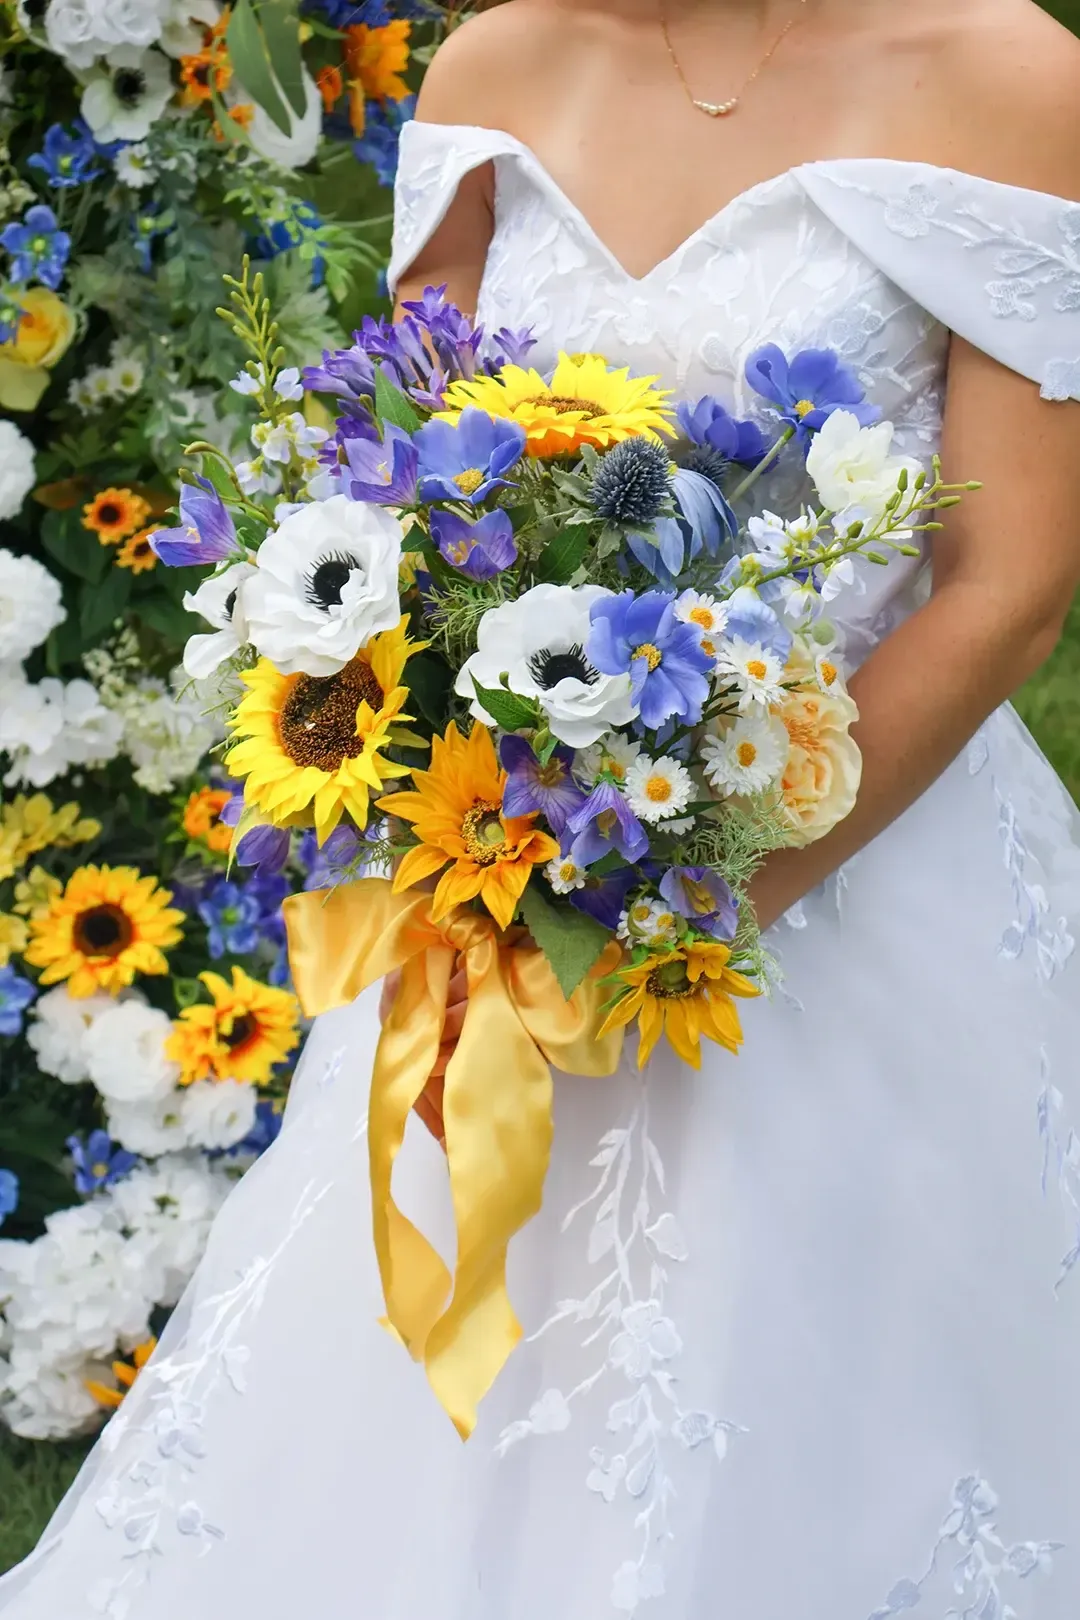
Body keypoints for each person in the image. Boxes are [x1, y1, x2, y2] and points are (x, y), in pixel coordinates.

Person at [3, 1, 1080, 1615]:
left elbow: (1010, 586)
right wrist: (423, 777)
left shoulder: (1004, 74)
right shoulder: (498, 62)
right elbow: (390, 485)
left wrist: (689, 900)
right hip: (493, 871)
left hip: (844, 868)